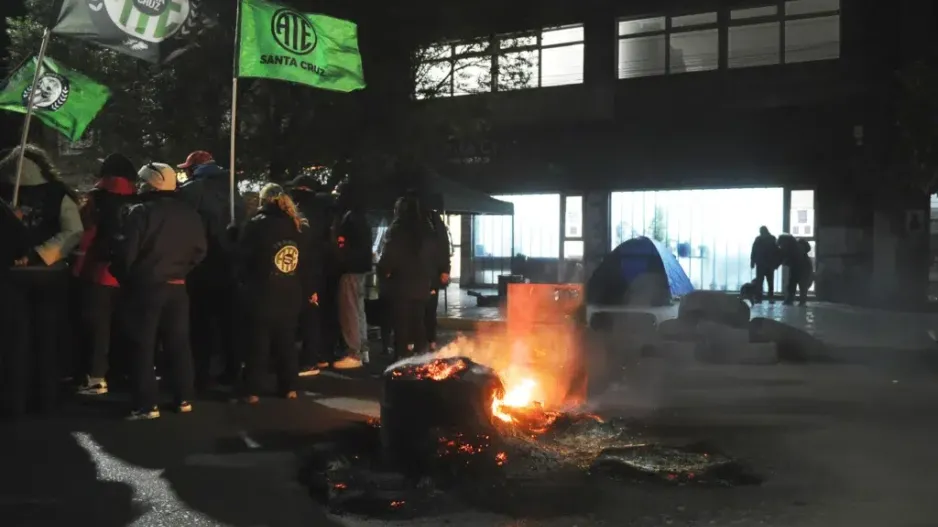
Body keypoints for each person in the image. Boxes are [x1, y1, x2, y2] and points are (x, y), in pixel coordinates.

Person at [111, 163, 206, 420]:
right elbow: (200, 251)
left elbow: (126, 254)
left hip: (146, 287)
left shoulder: (140, 212)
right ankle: (184, 397)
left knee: (143, 345)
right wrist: (181, 271)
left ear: (150, 184)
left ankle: (146, 404)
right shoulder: (189, 213)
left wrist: (127, 276)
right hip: (177, 287)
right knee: (178, 344)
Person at [0, 145, 84, 418]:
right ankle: (46, 398)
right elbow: (73, 232)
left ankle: (15, 400)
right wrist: (43, 254)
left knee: (15, 342)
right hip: (50, 275)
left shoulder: (4, 192)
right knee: (47, 338)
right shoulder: (59, 194)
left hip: (11, 276)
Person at [176, 150, 246, 389]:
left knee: (200, 324)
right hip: (232, 265)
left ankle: (201, 375)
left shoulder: (193, 191)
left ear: (194, 168)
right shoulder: (234, 191)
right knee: (230, 325)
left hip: (203, 266)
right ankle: (233, 371)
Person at [71, 154, 138, 395]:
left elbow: (86, 235)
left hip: (98, 273)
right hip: (130, 274)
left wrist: (77, 269)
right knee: (124, 326)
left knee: (97, 329)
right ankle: (122, 373)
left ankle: (96, 377)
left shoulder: (94, 199)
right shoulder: (138, 200)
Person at [237, 184, 311, 403]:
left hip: (262, 290)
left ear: (263, 201)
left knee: (258, 342)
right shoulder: (298, 226)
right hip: (290, 291)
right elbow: (305, 262)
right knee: (286, 341)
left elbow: (243, 258)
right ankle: (289, 387)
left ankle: (253, 390)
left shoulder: (256, 225)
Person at [378, 192, 439, 358]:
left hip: (401, 284)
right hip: (421, 284)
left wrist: (383, 270)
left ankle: (401, 361)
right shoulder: (427, 228)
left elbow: (389, 256)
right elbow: (433, 257)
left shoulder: (397, 229)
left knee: (401, 326)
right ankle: (420, 360)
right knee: (418, 322)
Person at [289, 175, 329, 376]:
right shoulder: (321, 210)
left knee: (309, 315)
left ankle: (310, 360)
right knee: (313, 314)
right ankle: (317, 356)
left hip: (308, 268)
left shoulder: (306, 214)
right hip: (317, 268)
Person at [331, 179, 373, 369]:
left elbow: (342, 245)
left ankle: (353, 353)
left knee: (349, 311)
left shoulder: (349, 218)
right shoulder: (362, 217)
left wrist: (340, 259)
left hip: (350, 269)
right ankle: (363, 351)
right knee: (359, 309)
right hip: (362, 269)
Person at [425, 208, 451, 350]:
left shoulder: (434, 221)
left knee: (429, 309)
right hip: (427, 273)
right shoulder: (431, 221)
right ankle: (428, 341)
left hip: (430, 274)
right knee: (427, 309)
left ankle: (430, 341)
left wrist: (445, 270)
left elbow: (443, 245)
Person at [749, 226, 779, 303]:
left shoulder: (758, 239)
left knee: (760, 282)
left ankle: (759, 298)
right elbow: (776, 252)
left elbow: (754, 251)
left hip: (760, 264)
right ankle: (770, 297)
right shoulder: (772, 239)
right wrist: (776, 263)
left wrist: (752, 262)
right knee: (770, 282)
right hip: (769, 264)